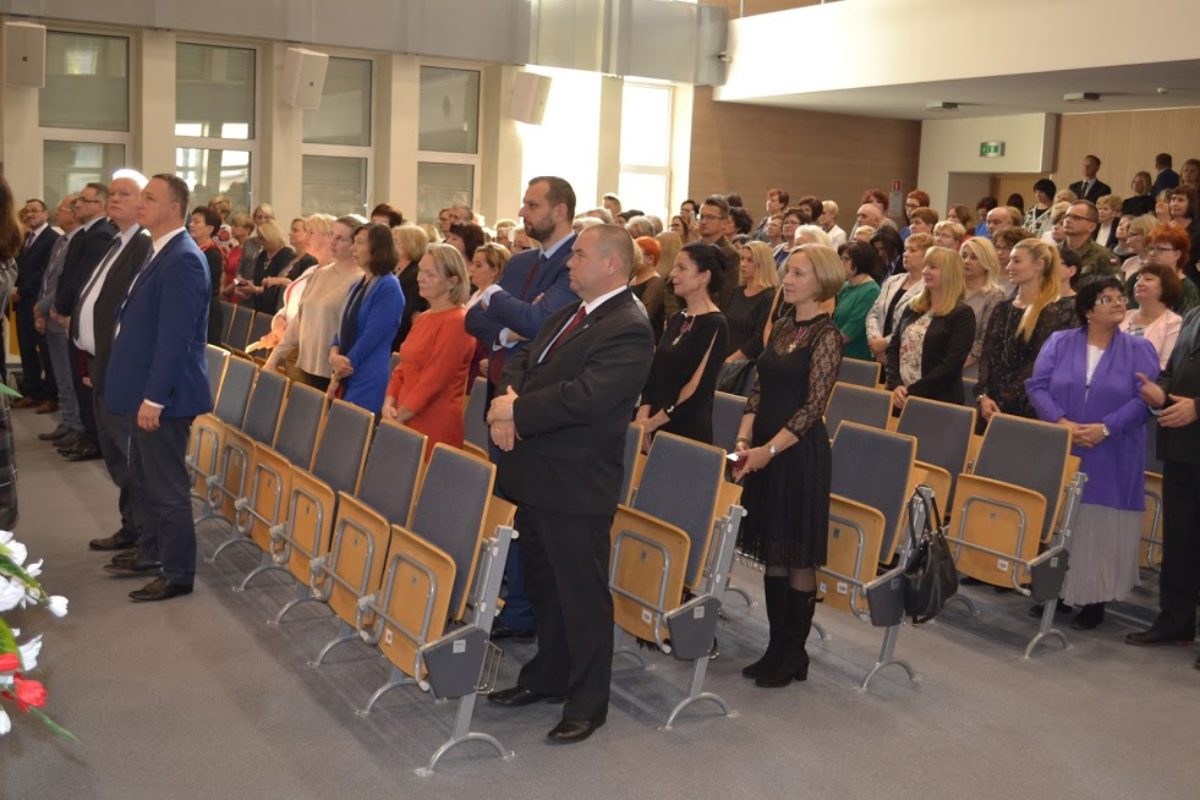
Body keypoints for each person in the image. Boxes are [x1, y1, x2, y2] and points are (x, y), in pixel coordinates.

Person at [485, 224, 654, 744]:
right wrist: (509, 402)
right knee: (545, 587)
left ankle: (588, 702)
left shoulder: (628, 326)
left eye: (578, 255)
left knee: (581, 597)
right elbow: (523, 359)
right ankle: (549, 675)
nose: (568, 264)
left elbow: (587, 397)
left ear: (611, 264)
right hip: (539, 473)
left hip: (577, 483)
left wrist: (516, 411)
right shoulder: (570, 313)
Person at [465, 176, 580, 643]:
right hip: (499, 393)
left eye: (532, 205)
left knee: (528, 511)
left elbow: (541, 320)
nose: (523, 212)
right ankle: (513, 597)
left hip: (534, 407)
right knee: (505, 503)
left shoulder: (574, 265)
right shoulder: (521, 262)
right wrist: (507, 329)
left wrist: (496, 297)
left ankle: (524, 610)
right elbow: (473, 318)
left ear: (560, 211)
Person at [732, 244, 844, 688]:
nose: (788, 280)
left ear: (821, 281)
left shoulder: (827, 335)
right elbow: (759, 389)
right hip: (764, 447)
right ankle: (775, 648)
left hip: (796, 454)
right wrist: (744, 440)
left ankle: (793, 653)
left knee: (796, 554)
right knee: (773, 553)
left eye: (798, 273)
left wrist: (768, 451)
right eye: (788, 272)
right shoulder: (781, 325)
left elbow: (812, 408)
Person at [102, 174, 212, 602]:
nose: (141, 203)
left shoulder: (183, 258)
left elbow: (174, 339)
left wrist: (153, 398)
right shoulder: (159, 249)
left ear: (174, 208)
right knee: (147, 481)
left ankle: (178, 573)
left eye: (150, 197)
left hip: (167, 397)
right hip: (147, 389)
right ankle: (151, 553)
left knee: (166, 488)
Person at [1026, 276, 1159, 629]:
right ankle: (1057, 591)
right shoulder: (1059, 341)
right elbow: (1037, 386)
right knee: (1062, 519)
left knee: (1100, 524)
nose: (1118, 303)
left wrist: (1106, 428)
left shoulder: (1140, 349)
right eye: (1107, 299)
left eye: (1120, 297)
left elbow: (1145, 401)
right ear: (1087, 309)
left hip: (1113, 448)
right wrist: (1061, 422)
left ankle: (1094, 597)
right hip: (1065, 443)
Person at [71, 171, 152, 552]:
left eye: (125, 194)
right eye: (113, 194)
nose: (114, 199)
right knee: (117, 455)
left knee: (130, 456)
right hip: (102, 364)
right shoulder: (118, 241)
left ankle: (143, 535)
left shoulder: (143, 244)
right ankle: (131, 526)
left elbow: (134, 313)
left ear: (144, 203)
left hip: (123, 370)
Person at [1126, 305, 1200, 663]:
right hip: (1182, 446)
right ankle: (1175, 620)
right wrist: (1161, 394)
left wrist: (1198, 407)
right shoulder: (1194, 314)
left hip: (1192, 425)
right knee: (1180, 538)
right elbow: (1171, 370)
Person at [383, 243, 475, 453]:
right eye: (420, 271)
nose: (420, 278)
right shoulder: (425, 317)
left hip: (433, 423)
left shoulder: (458, 322)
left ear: (452, 282)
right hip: (403, 415)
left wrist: (399, 415)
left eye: (430, 274)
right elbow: (402, 367)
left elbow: (434, 381)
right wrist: (389, 402)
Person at [636, 242, 729, 448]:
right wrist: (643, 417)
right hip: (651, 424)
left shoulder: (715, 324)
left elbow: (696, 387)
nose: (672, 274)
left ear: (704, 276)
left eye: (682, 268)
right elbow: (655, 372)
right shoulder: (678, 317)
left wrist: (653, 422)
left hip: (684, 429)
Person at [975, 239, 1076, 426]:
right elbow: (987, 355)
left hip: (1027, 406)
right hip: (990, 404)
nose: (1009, 266)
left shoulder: (1055, 312)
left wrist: (1003, 400)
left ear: (1039, 265)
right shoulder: (1003, 307)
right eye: (1010, 261)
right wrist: (983, 395)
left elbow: (1037, 364)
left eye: (1016, 261)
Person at [51, 183, 117, 461]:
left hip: (81, 318)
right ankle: (85, 433)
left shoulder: (101, 235)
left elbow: (84, 279)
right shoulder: (86, 234)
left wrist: (64, 308)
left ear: (100, 206)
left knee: (85, 380)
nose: (77, 205)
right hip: (72, 314)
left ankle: (92, 438)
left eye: (84, 200)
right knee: (77, 379)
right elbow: (67, 276)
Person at [265, 217, 365, 390]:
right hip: (304, 364)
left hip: (333, 371)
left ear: (354, 244)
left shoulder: (361, 280)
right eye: (332, 235)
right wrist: (273, 359)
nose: (333, 241)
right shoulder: (319, 274)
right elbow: (298, 322)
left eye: (340, 238)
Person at [328, 223, 405, 414]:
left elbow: (371, 336)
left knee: (352, 426)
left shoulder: (389, 287)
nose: (353, 248)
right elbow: (342, 326)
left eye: (360, 243)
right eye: (354, 242)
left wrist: (342, 367)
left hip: (366, 372)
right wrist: (333, 353)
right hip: (345, 368)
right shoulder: (357, 284)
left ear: (377, 248)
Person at [885, 247, 975, 408]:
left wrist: (911, 392)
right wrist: (896, 384)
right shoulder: (914, 306)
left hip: (936, 401)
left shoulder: (962, 314)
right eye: (925, 266)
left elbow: (951, 364)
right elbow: (894, 347)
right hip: (899, 396)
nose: (925, 271)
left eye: (932, 267)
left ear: (949, 273)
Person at [33, 196, 84, 446]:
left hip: (61, 315)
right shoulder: (60, 240)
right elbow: (48, 279)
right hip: (50, 315)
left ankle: (77, 425)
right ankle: (67, 421)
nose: (57, 212)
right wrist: (41, 310)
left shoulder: (79, 242)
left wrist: (41, 308)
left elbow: (66, 283)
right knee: (60, 376)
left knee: (70, 375)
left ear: (74, 213)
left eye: (62, 209)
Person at [14, 198, 59, 411]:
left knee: (46, 351)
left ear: (45, 214)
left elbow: (45, 272)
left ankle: (51, 397)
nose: (30, 214)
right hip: (22, 303)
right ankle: (32, 392)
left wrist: (21, 290)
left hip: (39, 302)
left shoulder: (53, 239)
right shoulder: (25, 238)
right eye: (27, 211)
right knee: (26, 349)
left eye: (35, 210)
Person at [865, 232, 932, 364]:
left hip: (905, 357)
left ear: (928, 256)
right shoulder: (893, 280)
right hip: (878, 353)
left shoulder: (929, 287)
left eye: (913, 250)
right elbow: (873, 313)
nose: (905, 254)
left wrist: (885, 343)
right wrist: (876, 341)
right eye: (906, 249)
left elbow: (915, 326)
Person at [722, 241, 778, 376]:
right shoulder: (737, 292)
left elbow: (758, 340)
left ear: (762, 264)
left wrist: (730, 361)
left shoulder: (769, 296)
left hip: (745, 366)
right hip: (726, 358)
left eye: (750, 260)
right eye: (742, 258)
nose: (743, 264)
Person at [959, 237, 1008, 377]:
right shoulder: (952, 290)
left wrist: (954, 365)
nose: (967, 261)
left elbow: (985, 340)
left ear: (987, 261)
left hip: (970, 368)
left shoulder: (994, 296)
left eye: (974, 257)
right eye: (964, 256)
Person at [1121, 263, 1182, 369]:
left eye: (1148, 279)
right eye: (1138, 279)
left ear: (1166, 286)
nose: (1139, 283)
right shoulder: (1124, 316)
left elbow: (1165, 366)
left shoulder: (1173, 322)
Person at [466, 242, 510, 386]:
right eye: (473, 263)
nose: (471, 269)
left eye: (478, 265)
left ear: (494, 271)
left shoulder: (497, 299)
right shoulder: (477, 293)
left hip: (480, 362)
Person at [833, 241, 881, 361]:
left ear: (860, 261)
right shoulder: (846, 285)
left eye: (846, 259)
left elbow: (849, 333)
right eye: (840, 258)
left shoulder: (871, 292)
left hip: (854, 359)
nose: (840, 263)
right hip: (837, 353)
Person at [1142, 224, 1200, 315]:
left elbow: (1185, 322)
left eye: (1160, 249)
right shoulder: (1137, 280)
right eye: (1150, 249)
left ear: (1177, 255)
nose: (1152, 253)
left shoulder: (1187, 289)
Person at [188, 206, 225, 344]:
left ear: (209, 229)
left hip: (208, 311)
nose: (191, 225)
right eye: (191, 221)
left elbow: (201, 284)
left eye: (197, 222)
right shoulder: (193, 250)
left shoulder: (213, 255)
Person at [240, 219, 293, 314]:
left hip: (274, 308)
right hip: (258, 306)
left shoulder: (286, 255)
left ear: (271, 237)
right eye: (259, 238)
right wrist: (246, 285)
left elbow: (279, 288)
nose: (260, 242)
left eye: (262, 239)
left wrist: (256, 289)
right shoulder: (262, 255)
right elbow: (257, 279)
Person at [392, 224, 429, 349]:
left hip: (403, 336)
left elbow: (413, 311)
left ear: (409, 245)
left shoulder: (415, 274)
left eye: (396, 241)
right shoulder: (395, 271)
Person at [630, 236, 667, 339]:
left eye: (636, 255)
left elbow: (645, 314)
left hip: (645, 338)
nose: (632, 259)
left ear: (650, 259)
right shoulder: (632, 278)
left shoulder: (655, 282)